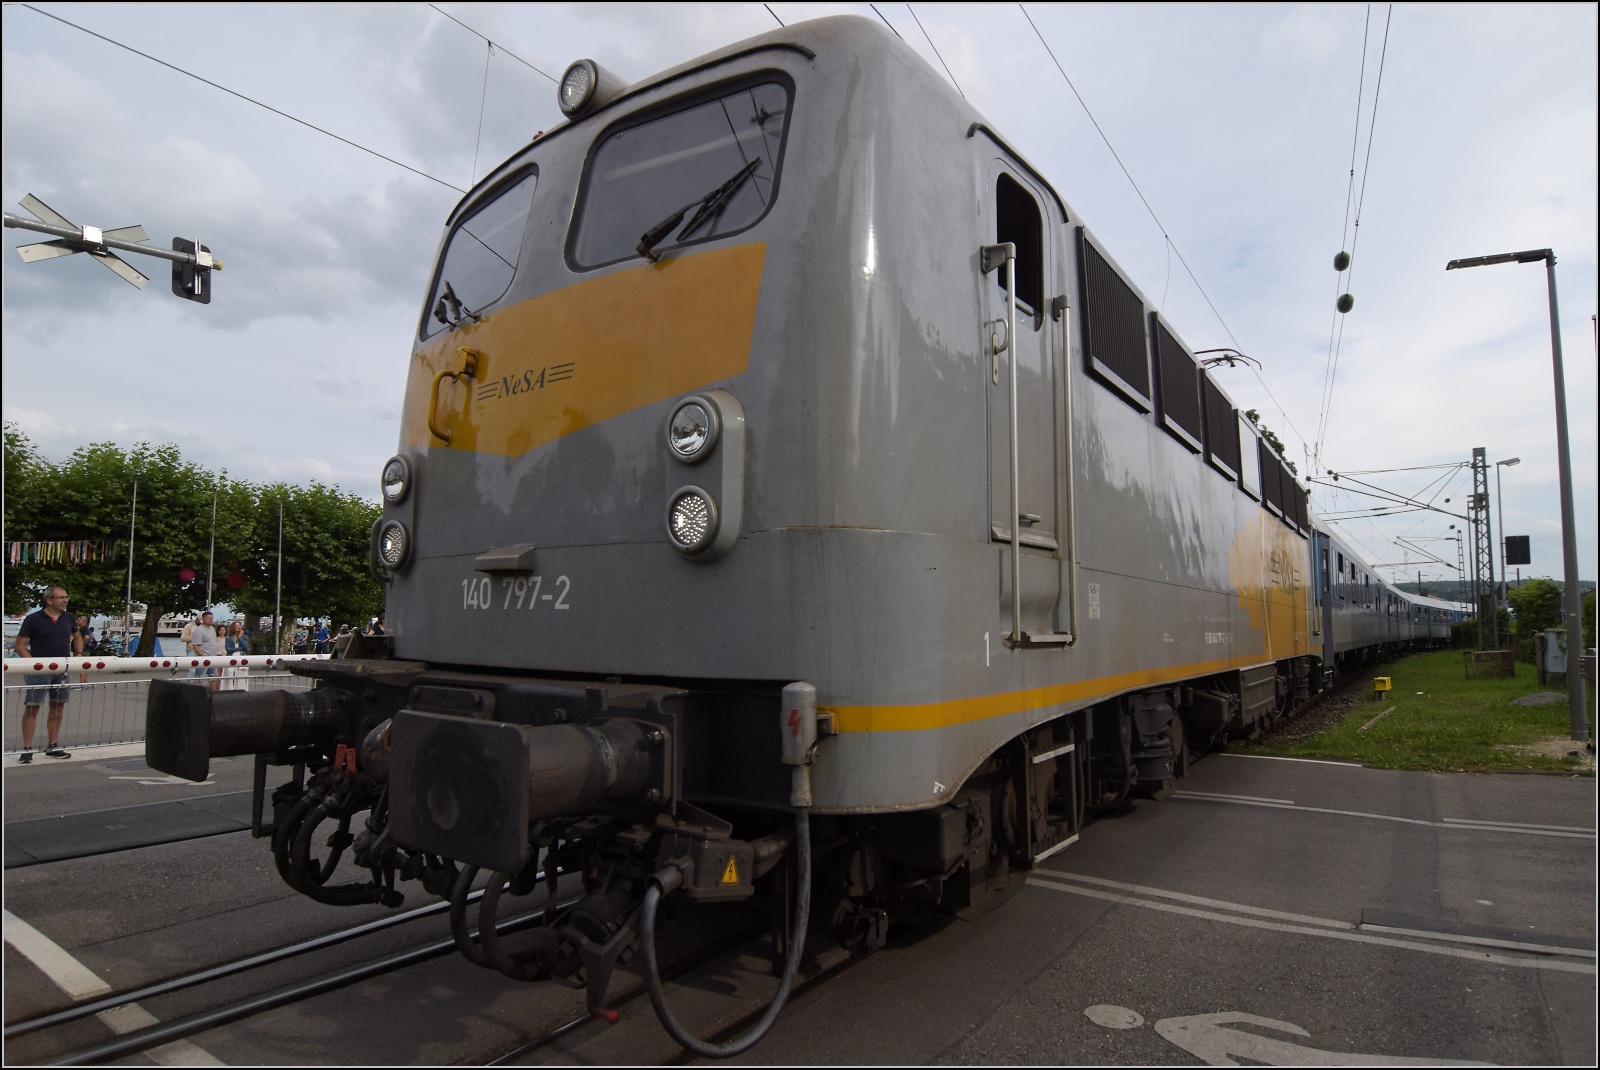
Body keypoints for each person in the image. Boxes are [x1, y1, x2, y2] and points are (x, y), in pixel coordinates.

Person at [14, 586, 83, 762]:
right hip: (39, 670)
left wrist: (78, 655)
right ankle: (27, 748)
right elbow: (20, 646)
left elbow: (77, 636)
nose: (65, 600)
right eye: (61, 598)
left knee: (58, 707)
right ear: (49, 600)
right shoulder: (33, 619)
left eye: (66, 597)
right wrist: (34, 664)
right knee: (32, 707)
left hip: (62, 669)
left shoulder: (68, 617)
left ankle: (52, 745)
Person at [190, 611, 223, 691]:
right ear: (203, 619)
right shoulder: (199, 630)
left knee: (214, 676)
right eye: (209, 618)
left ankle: (214, 694)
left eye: (212, 618)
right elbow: (196, 645)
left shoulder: (212, 629)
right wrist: (203, 657)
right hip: (204, 657)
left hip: (213, 657)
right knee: (199, 677)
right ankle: (196, 694)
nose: (211, 620)